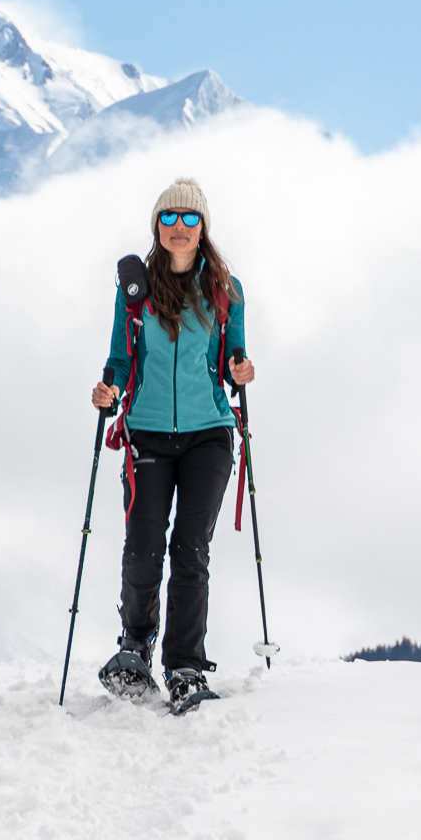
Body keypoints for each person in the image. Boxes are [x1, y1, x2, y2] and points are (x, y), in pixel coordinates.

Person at [90, 177, 255, 712]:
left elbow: (234, 359)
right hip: (147, 430)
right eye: (169, 218)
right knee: (142, 546)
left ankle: (185, 664)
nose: (179, 228)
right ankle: (134, 647)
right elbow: (120, 355)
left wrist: (241, 368)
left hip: (209, 434)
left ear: (203, 227)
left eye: (189, 219)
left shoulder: (226, 289)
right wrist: (110, 386)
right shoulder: (133, 288)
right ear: (156, 226)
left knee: (189, 549)